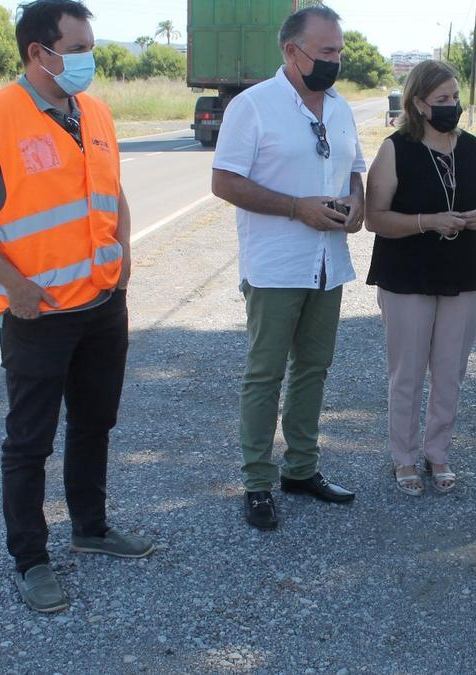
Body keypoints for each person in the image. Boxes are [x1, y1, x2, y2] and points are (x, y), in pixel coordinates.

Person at [0, 0, 153, 614]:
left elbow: (111, 192)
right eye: (77, 48)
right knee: (29, 442)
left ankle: (91, 527)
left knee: (95, 422)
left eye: (89, 47)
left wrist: (124, 253)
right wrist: (16, 286)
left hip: (103, 302)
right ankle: (30, 560)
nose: (89, 60)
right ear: (39, 53)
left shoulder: (96, 112)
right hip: (37, 314)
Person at [211, 5, 365, 530]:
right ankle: (257, 482)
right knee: (264, 374)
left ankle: (301, 469)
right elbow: (225, 182)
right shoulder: (252, 107)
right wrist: (296, 207)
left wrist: (357, 205)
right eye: (325, 52)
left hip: (328, 264)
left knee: (314, 369)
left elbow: (356, 170)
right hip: (276, 266)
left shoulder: (341, 107)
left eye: (339, 51)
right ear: (290, 51)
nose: (335, 61)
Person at [364, 60, 476, 496]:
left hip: (461, 270)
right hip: (406, 273)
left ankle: (438, 453)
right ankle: (404, 457)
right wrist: (428, 221)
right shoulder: (395, 148)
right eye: (442, 100)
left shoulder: (471, 146)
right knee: (408, 371)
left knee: (450, 370)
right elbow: (375, 218)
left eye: (455, 97)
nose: (452, 106)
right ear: (418, 103)